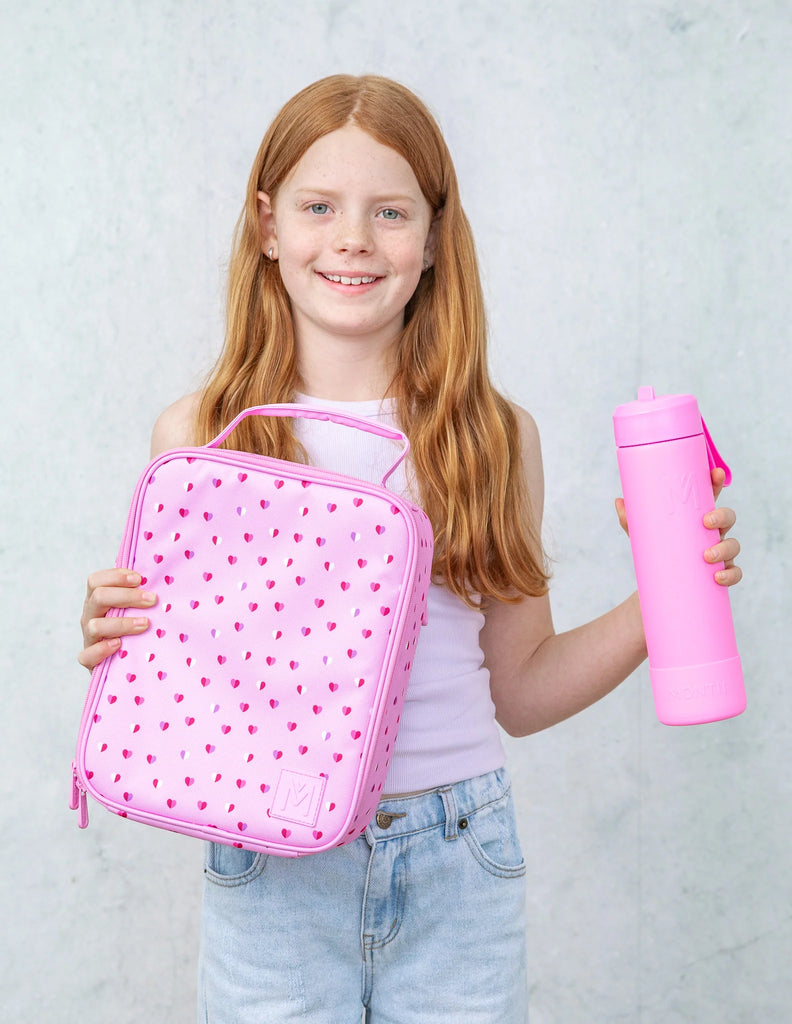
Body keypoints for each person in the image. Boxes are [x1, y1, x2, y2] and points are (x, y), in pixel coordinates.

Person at [78, 75, 742, 1024]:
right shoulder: (203, 436)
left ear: (433, 237)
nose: (353, 238)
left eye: (390, 212)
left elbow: (522, 690)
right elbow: (189, 691)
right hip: (270, 865)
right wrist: (120, 645)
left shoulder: (489, 439)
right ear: (267, 227)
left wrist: (668, 595)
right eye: (318, 207)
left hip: (456, 858)